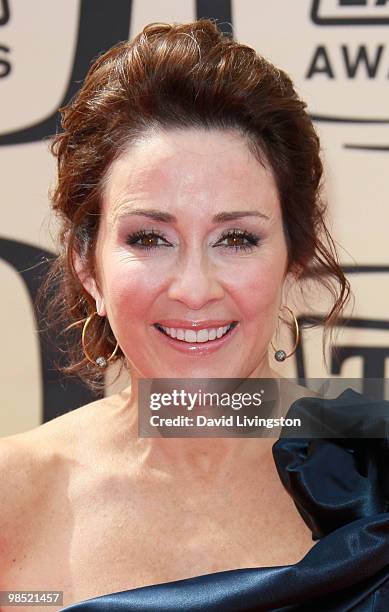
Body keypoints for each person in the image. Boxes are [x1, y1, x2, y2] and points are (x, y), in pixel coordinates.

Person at [1, 19, 389, 612]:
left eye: (236, 238)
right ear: (87, 264)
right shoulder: (12, 494)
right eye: (149, 238)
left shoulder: (377, 477)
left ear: (294, 257)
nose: (193, 289)